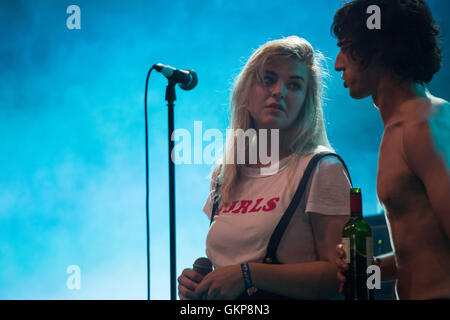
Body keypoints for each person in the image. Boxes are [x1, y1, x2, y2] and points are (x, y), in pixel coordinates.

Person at [177, 36, 353, 300]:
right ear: (246, 93)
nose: (279, 91)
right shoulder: (226, 173)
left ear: (307, 99)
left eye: (294, 85)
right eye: (268, 79)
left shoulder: (321, 168)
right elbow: (231, 262)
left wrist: (248, 274)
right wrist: (199, 283)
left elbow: (342, 277)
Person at [332, 0, 450, 299]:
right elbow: (421, 253)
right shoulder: (401, 127)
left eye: (346, 47)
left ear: (377, 47)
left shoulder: (424, 125)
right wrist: (369, 269)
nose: (338, 63)